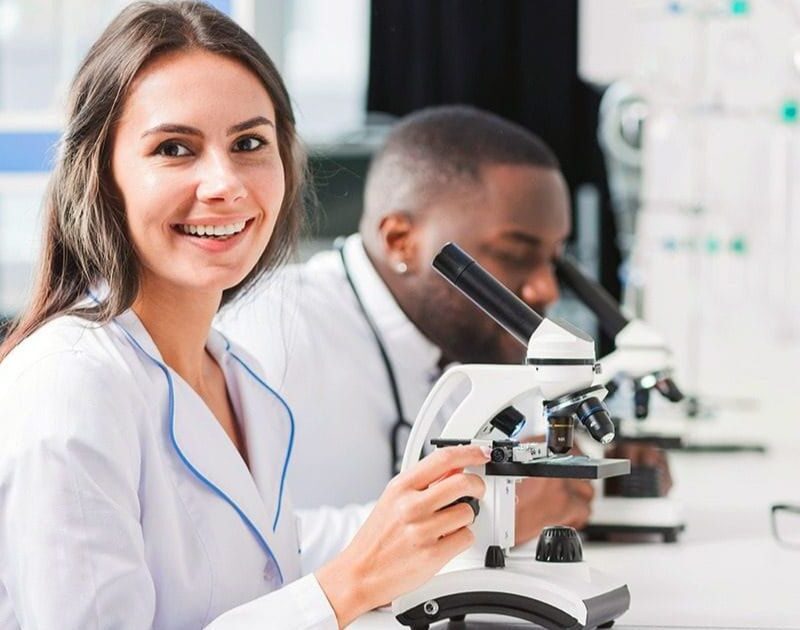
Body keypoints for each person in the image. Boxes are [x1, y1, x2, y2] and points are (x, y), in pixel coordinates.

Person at [0, 5, 491, 628]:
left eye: (249, 144)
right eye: (174, 148)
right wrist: (348, 584)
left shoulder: (238, 376)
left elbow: (263, 566)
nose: (224, 183)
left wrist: (426, 520)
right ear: (102, 177)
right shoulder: (69, 383)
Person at [218, 105, 605, 570]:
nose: (545, 288)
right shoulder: (272, 335)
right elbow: (236, 550)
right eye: (514, 253)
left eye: (553, 261)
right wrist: (480, 522)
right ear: (401, 240)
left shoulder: (469, 335)